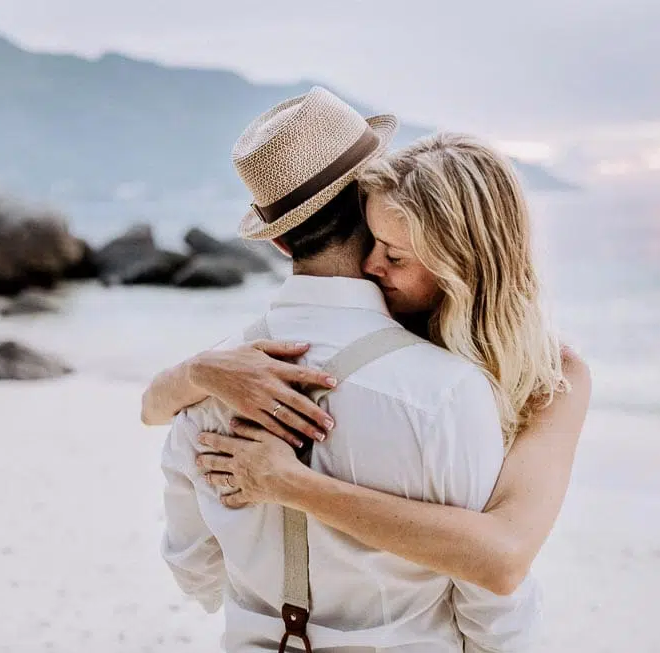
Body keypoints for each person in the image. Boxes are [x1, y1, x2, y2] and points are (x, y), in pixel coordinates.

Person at [159, 86, 540, 653]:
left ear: (282, 242)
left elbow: (194, 571)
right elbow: (492, 609)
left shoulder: (209, 382)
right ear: (375, 200)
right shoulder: (448, 390)